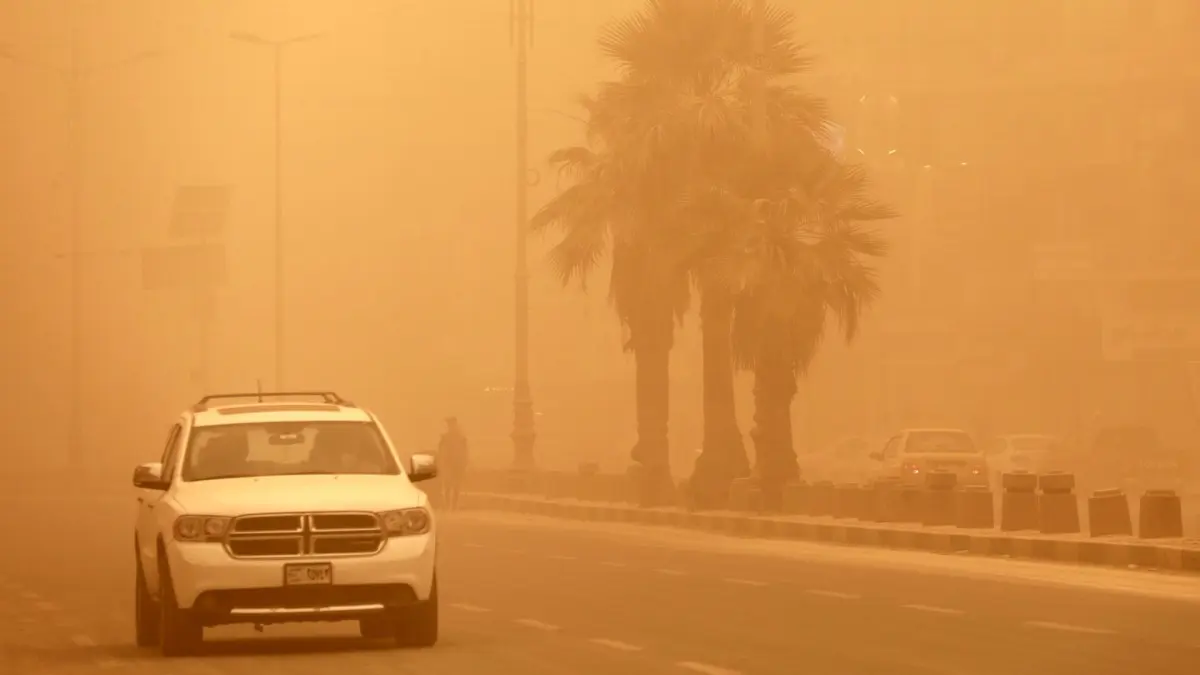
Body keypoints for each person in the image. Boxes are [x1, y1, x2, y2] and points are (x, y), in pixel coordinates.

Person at [437, 416, 469, 510]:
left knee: (456, 486)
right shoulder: (445, 437)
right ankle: (448, 505)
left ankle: (453, 506)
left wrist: (465, 461)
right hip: (448, 464)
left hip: (457, 464)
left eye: (451, 424)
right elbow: (441, 451)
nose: (450, 426)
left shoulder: (461, 437)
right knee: (448, 485)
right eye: (449, 425)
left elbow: (465, 451)